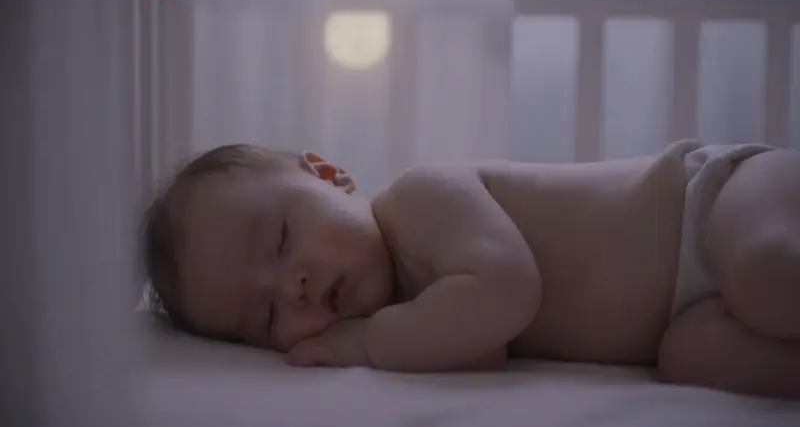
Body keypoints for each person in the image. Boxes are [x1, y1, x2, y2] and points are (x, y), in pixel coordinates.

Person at [142, 140, 800, 399]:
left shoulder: (420, 197)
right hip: (684, 316)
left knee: (766, 277)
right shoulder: (424, 322)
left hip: (716, 201)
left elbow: (507, 294)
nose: (294, 287)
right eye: (265, 316)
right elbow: (484, 349)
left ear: (328, 174)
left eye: (283, 239)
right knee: (697, 358)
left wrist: (367, 343)